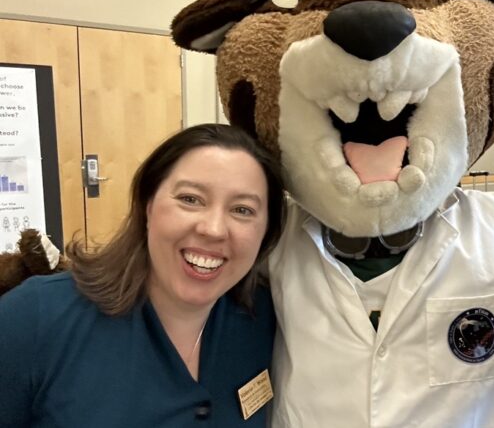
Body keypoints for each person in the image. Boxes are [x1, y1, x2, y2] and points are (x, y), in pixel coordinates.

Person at [0, 123, 286, 428]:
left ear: (266, 231)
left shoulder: (265, 320)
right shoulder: (35, 318)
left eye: (242, 210)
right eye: (190, 199)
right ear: (148, 206)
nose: (213, 229)